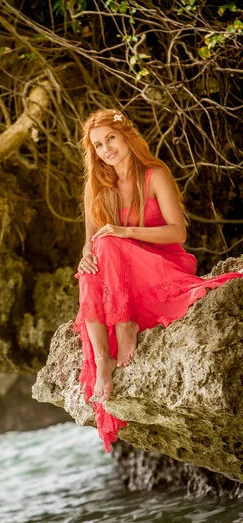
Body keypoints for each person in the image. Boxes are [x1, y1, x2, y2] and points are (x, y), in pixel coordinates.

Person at [73, 108, 243, 453]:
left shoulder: (154, 175)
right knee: (88, 269)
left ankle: (125, 325)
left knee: (108, 243)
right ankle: (103, 358)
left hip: (161, 264)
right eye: (99, 145)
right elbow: (92, 243)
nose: (107, 149)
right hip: (119, 273)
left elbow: (177, 231)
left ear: (126, 137)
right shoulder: (96, 187)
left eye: (111, 139)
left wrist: (123, 231)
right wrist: (85, 255)